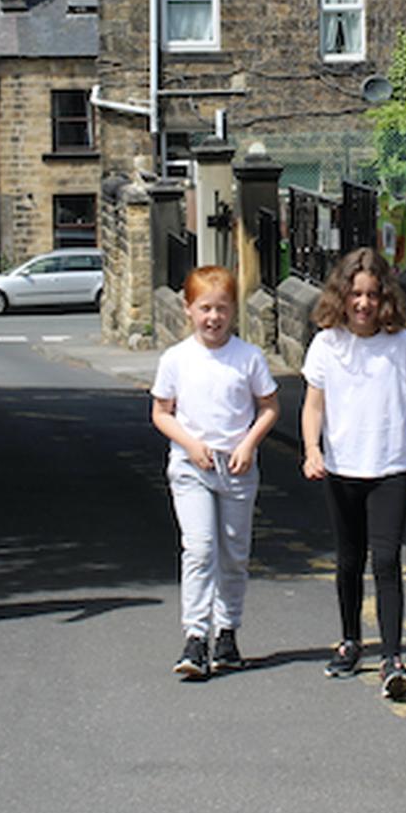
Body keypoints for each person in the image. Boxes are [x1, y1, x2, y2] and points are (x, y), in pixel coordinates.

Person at [301, 246, 406, 700]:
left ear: (386, 299)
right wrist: (310, 449)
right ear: (341, 295)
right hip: (342, 467)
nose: (363, 304)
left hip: (390, 466)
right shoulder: (326, 343)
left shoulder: (400, 343)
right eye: (355, 294)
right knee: (348, 559)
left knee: (386, 561)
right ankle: (349, 642)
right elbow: (313, 404)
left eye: (373, 295)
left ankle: (393, 657)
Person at [151, 265, 280, 681]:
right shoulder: (177, 359)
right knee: (200, 548)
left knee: (234, 553)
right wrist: (189, 444)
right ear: (188, 310)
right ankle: (195, 636)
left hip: (237, 468)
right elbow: (161, 413)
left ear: (233, 312)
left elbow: (270, 407)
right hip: (192, 466)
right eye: (205, 308)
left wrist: (248, 443)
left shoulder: (248, 358)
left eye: (221, 309)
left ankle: (227, 633)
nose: (213, 317)